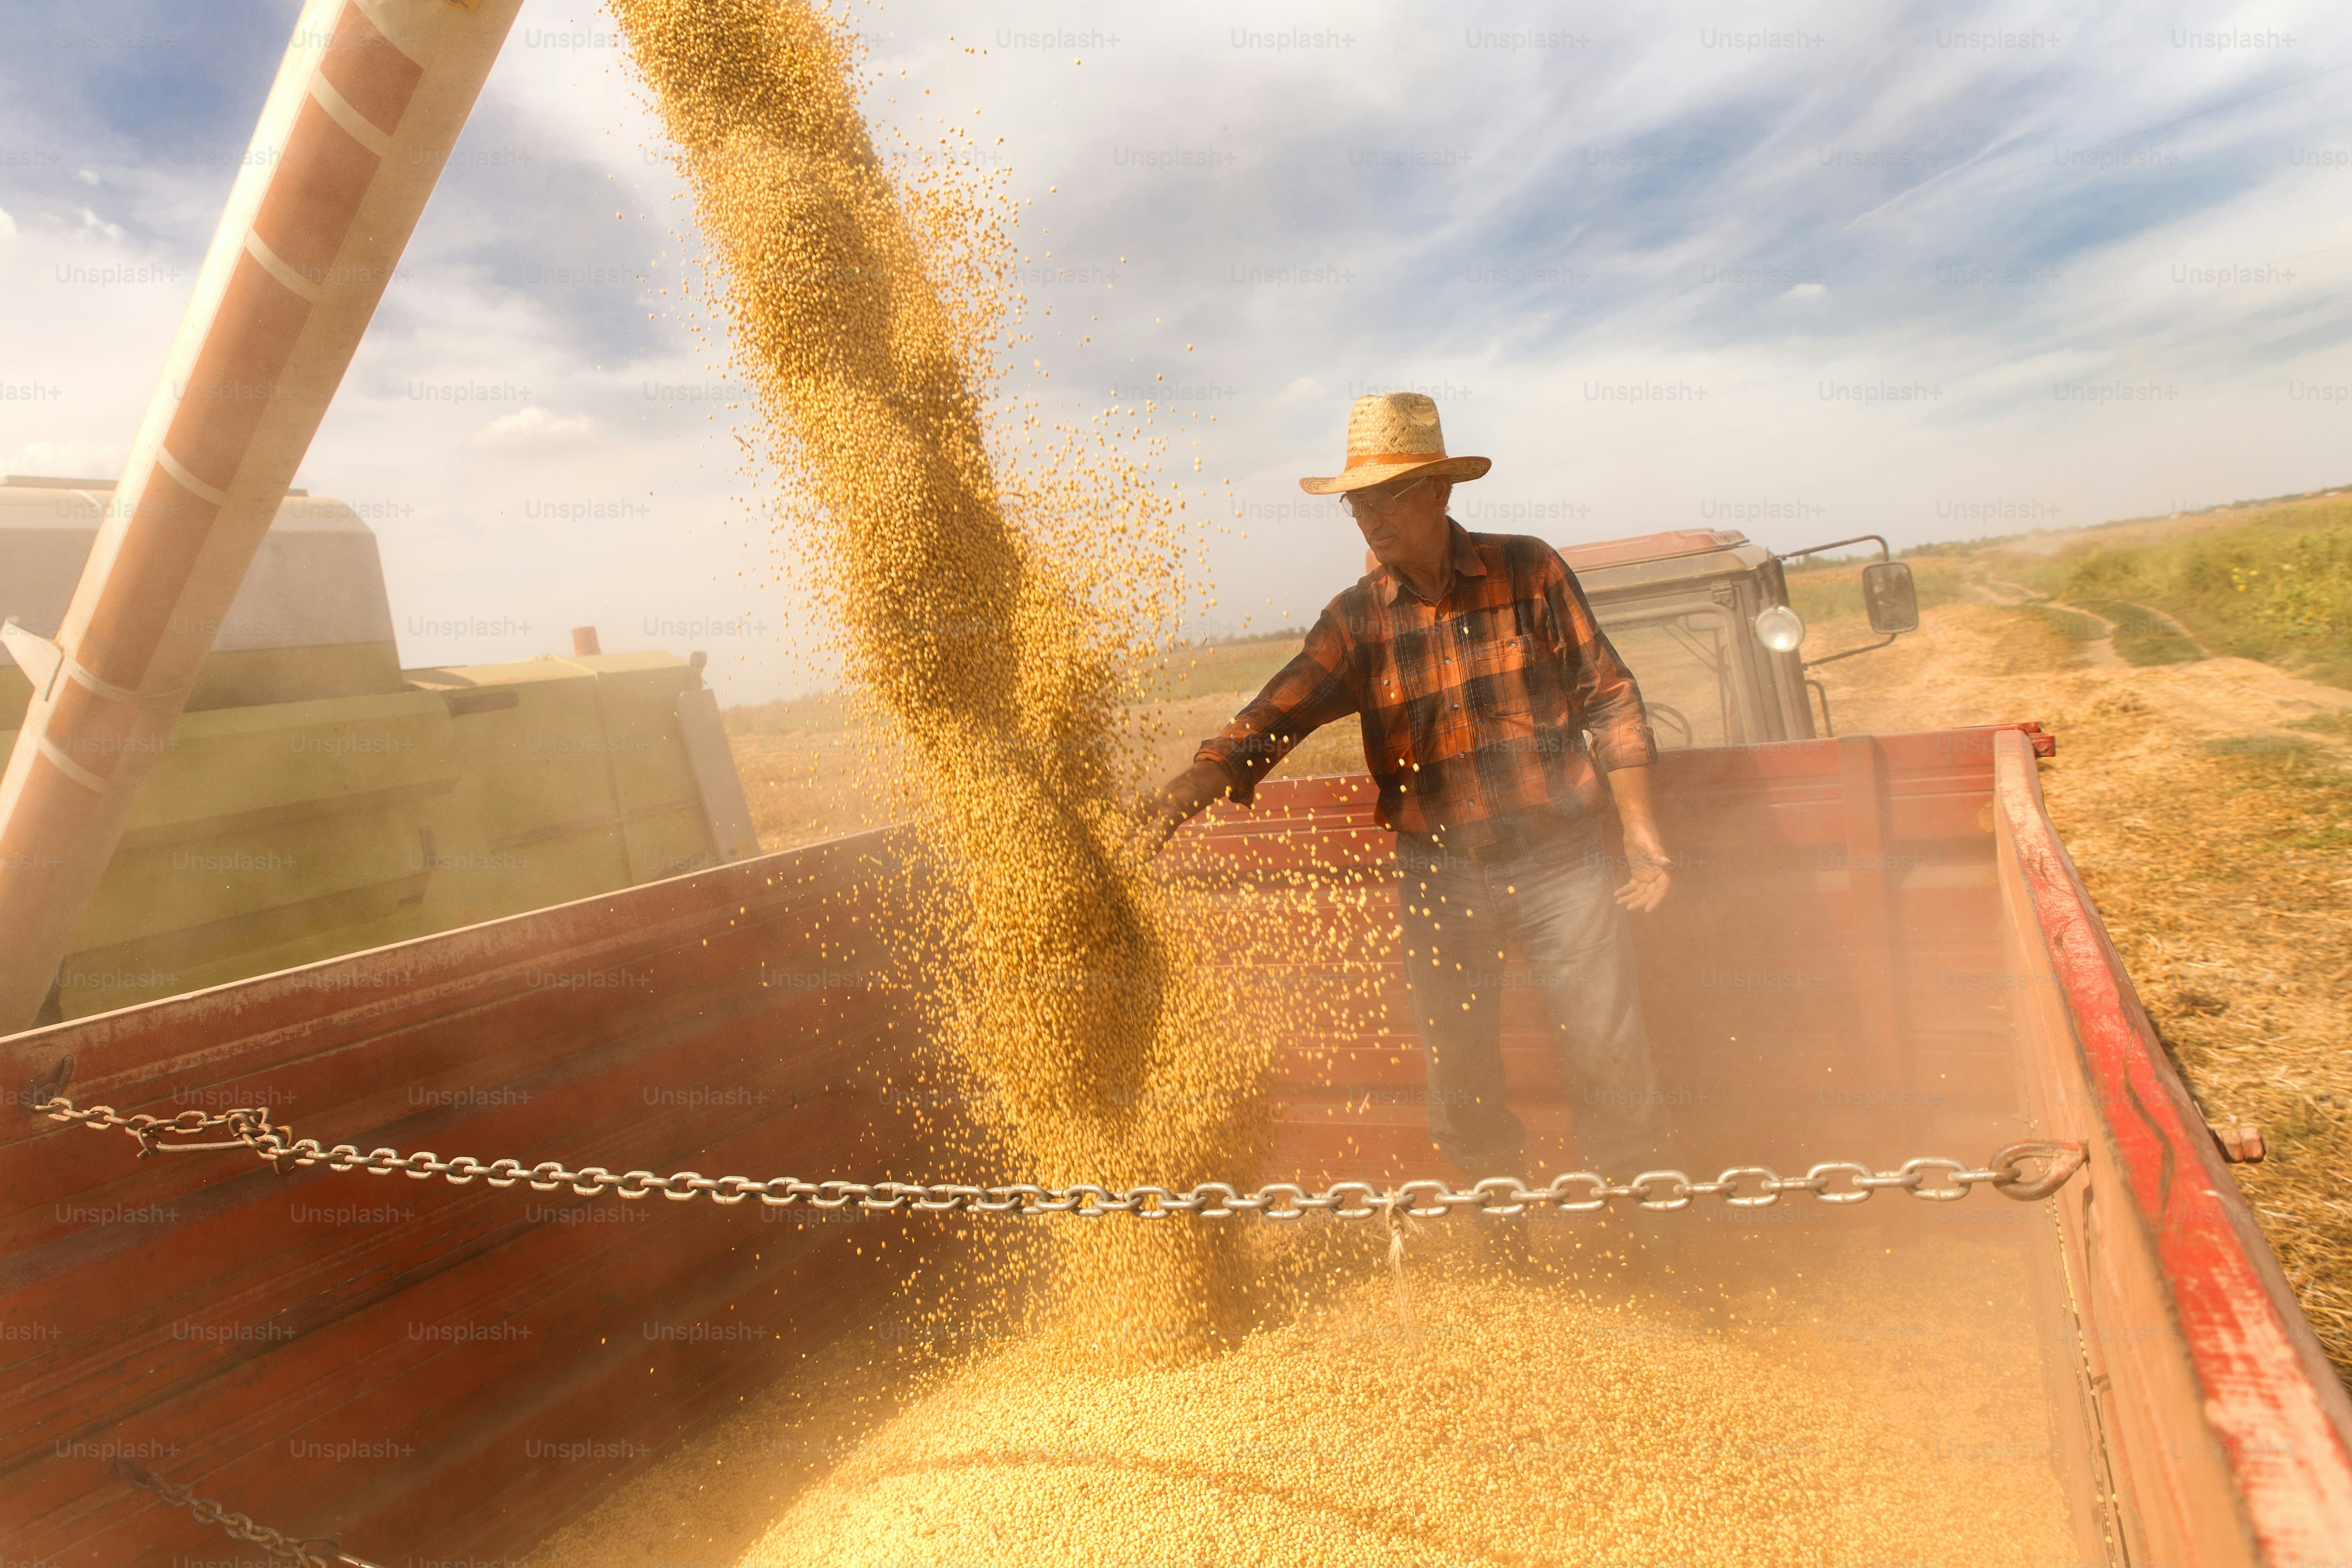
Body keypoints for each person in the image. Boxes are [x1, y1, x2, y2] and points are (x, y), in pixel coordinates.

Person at [1138, 391, 1677, 1271]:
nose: (1368, 518)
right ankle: (1509, 1257)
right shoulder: (1358, 619)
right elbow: (1272, 715)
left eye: (1385, 498)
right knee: (1461, 1074)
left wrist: (1643, 826)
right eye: (1357, 502)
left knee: (1608, 1053)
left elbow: (1609, 696)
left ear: (1437, 493)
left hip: (1562, 863)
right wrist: (1179, 795)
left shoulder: (1528, 571)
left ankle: (1653, 1254)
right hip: (1443, 874)